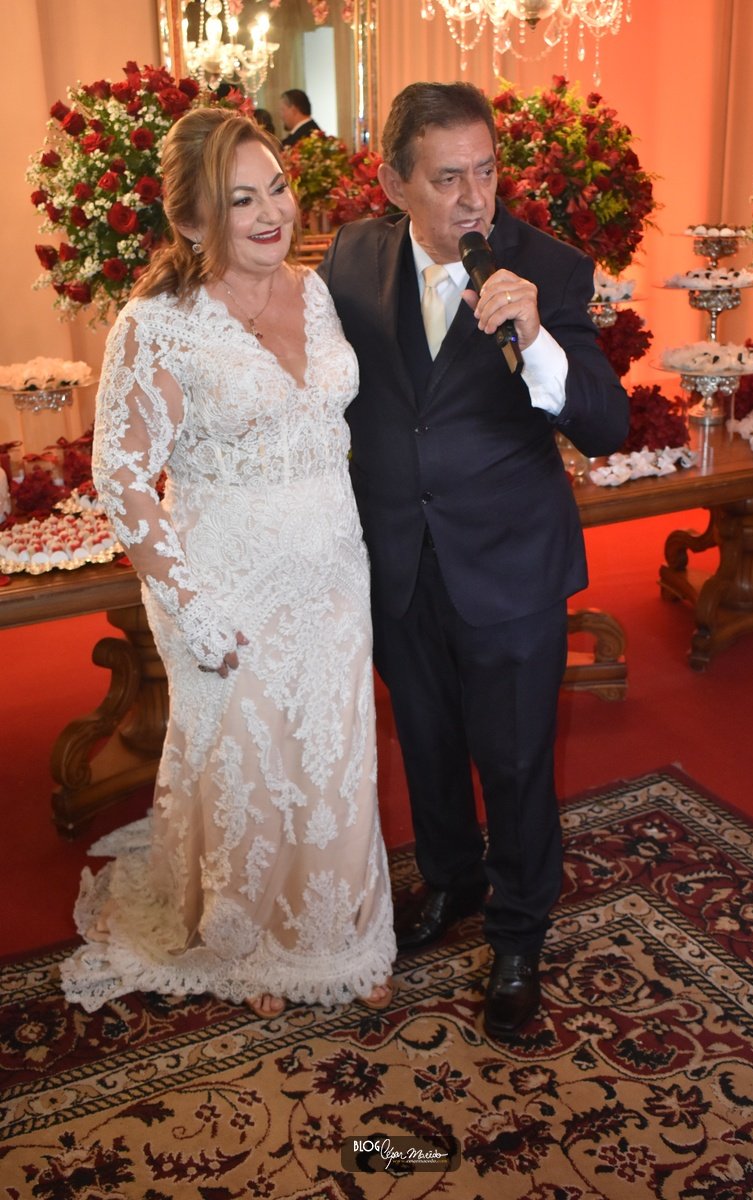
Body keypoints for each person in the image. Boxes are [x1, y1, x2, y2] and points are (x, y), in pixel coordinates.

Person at [60, 107, 395, 1018]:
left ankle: (333, 931)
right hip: (224, 582)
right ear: (191, 219)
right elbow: (123, 476)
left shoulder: (316, 294)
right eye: (240, 199)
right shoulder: (156, 324)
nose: (271, 212)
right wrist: (189, 605)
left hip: (332, 568)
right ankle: (248, 940)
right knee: (250, 762)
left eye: (276, 188)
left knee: (331, 752)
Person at [319, 81, 629, 1041]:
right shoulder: (350, 255)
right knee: (426, 742)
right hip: (397, 558)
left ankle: (519, 932)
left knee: (517, 758)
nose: (474, 199)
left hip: (509, 563)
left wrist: (536, 340)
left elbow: (606, 425)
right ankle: (451, 880)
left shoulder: (549, 268)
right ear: (393, 184)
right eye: (447, 178)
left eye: (486, 172)